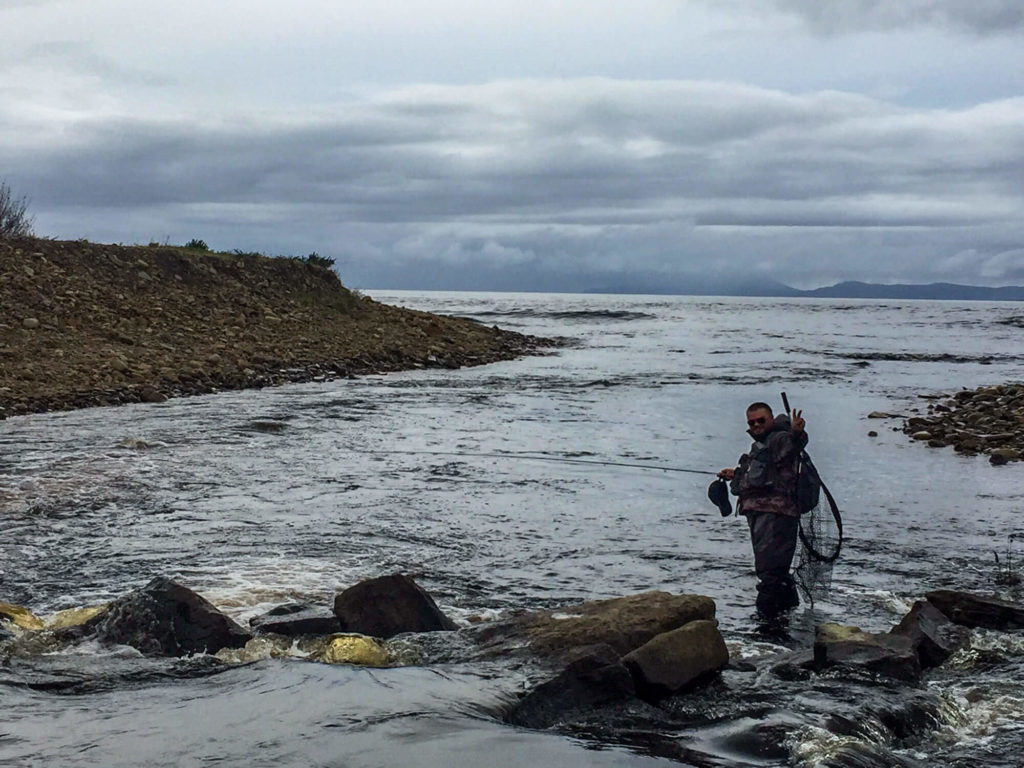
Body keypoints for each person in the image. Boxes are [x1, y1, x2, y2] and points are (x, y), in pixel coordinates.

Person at [719, 402, 807, 617]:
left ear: (770, 420)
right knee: (777, 572)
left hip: (776, 516)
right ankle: (788, 614)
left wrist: (797, 432)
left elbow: (793, 445)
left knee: (769, 573)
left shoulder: (779, 438)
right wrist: (737, 474)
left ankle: (766, 627)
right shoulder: (763, 443)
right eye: (751, 422)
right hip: (764, 515)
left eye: (761, 420)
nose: (756, 425)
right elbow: (765, 473)